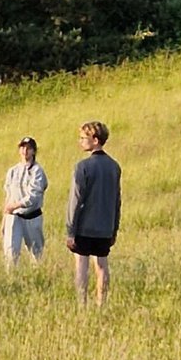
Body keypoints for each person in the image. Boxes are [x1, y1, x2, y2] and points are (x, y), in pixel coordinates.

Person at [65, 120, 121, 307]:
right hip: (105, 227)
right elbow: (117, 201)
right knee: (102, 265)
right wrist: (114, 229)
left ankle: (82, 304)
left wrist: (70, 230)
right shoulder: (114, 166)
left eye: (83, 138)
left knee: (82, 266)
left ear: (95, 140)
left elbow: (75, 200)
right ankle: (101, 303)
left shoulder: (83, 167)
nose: (80, 142)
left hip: (84, 227)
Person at [2, 136, 48, 265]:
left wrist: (15, 205)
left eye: (28, 148)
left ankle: (38, 278)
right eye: (22, 148)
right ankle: (11, 280)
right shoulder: (12, 171)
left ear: (33, 151)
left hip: (32, 216)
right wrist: (4, 219)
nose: (25, 151)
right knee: (11, 251)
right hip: (13, 216)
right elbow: (8, 196)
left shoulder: (37, 171)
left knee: (36, 253)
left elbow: (33, 197)